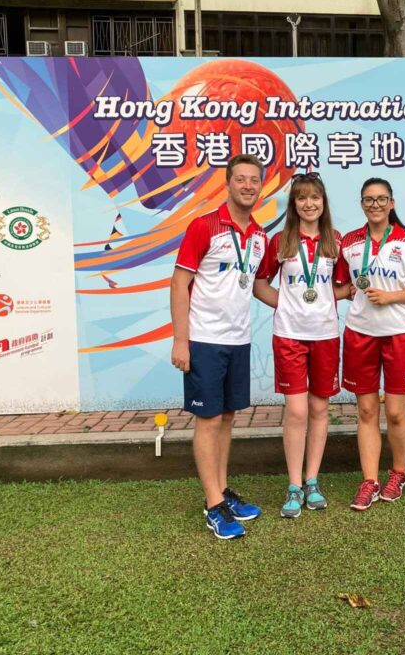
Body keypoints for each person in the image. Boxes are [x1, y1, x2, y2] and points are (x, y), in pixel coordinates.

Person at [170, 154, 266, 540]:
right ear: (228, 184)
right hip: (205, 341)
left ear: (261, 186)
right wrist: (181, 340)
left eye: (254, 179)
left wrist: (311, 304)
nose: (247, 185)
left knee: (227, 417)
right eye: (240, 179)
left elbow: (255, 287)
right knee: (208, 420)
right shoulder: (204, 227)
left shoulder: (259, 236)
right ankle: (212, 505)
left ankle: (222, 491)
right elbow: (179, 283)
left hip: (238, 340)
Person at [254, 172, 342, 519]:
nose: (309, 203)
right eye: (302, 197)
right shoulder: (281, 241)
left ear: (323, 202)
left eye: (315, 197)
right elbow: (259, 284)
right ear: (293, 203)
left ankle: (312, 481)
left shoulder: (334, 241)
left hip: (325, 335)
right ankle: (293, 485)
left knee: (319, 409)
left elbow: (342, 286)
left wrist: (323, 301)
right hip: (289, 336)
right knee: (297, 411)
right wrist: (288, 305)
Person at [334, 178, 405, 511]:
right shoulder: (349, 242)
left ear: (392, 203)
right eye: (369, 200)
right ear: (361, 204)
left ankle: (398, 473)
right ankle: (369, 481)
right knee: (367, 411)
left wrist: (390, 297)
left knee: (396, 412)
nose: (375, 205)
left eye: (381, 199)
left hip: (399, 333)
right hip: (360, 333)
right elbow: (343, 286)